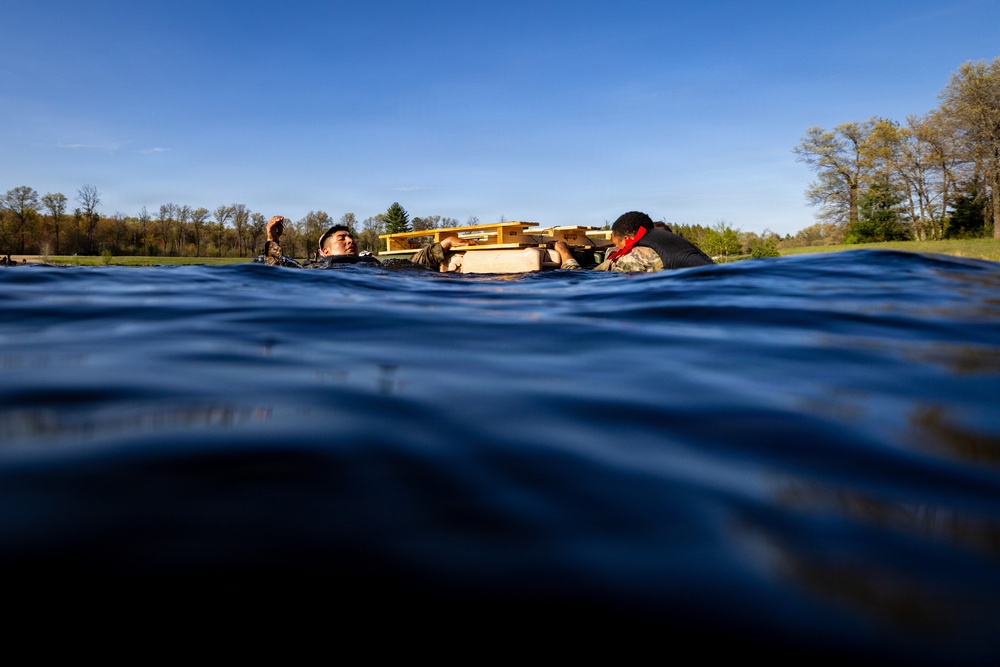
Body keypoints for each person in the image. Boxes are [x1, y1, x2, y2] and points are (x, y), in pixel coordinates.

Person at [553, 211, 713, 273]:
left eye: (618, 244)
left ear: (628, 239)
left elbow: (580, 283)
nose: (617, 249)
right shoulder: (667, 240)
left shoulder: (637, 254)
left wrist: (565, 254)